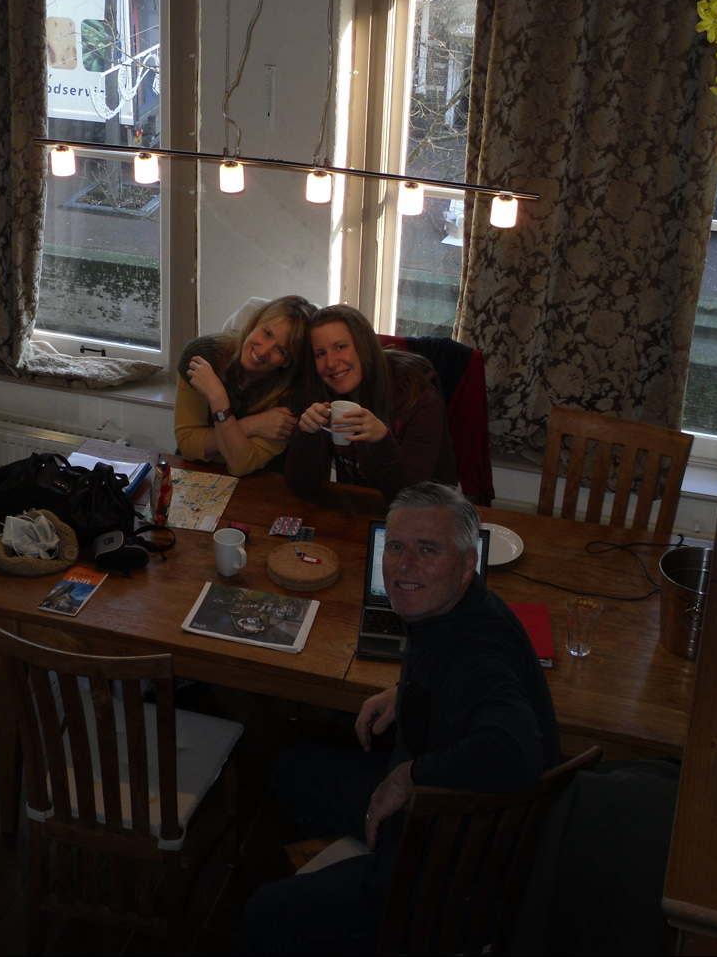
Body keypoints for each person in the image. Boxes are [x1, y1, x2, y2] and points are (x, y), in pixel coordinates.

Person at [234, 483, 559, 955]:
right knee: (294, 769)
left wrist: (407, 778)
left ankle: (381, 906)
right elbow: (452, 683)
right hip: (437, 801)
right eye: (397, 547)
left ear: (468, 564)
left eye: (427, 550)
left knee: (264, 913)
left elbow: (516, 752)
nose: (404, 565)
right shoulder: (452, 607)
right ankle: (358, 878)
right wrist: (406, 694)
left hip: (453, 855)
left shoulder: (479, 652)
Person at [284, 304, 456, 501]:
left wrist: (382, 440)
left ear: (364, 347)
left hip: (435, 510)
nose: (330, 363)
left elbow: (409, 500)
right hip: (362, 508)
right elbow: (301, 487)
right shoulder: (325, 395)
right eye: (320, 354)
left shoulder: (418, 399)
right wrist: (305, 434)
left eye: (340, 347)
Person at [174, 295, 317, 476]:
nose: (264, 350)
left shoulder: (294, 393)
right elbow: (187, 445)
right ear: (254, 323)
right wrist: (251, 424)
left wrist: (218, 404)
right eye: (267, 333)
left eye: (280, 350)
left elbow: (241, 465)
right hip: (194, 476)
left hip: (257, 489)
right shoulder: (203, 355)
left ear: (288, 361)